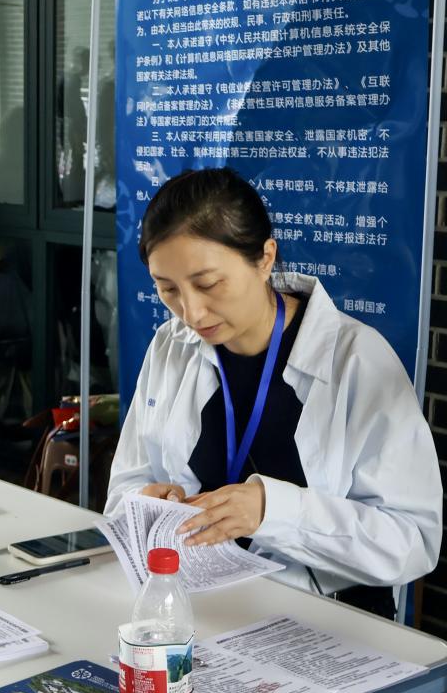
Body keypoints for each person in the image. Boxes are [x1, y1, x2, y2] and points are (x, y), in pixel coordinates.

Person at [106, 167, 441, 617]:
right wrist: (142, 506)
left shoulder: (357, 361)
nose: (191, 312)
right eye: (168, 290)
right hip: (201, 607)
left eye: (208, 284)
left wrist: (274, 512)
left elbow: (413, 541)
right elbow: (125, 487)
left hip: (326, 622)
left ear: (265, 258)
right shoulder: (171, 346)